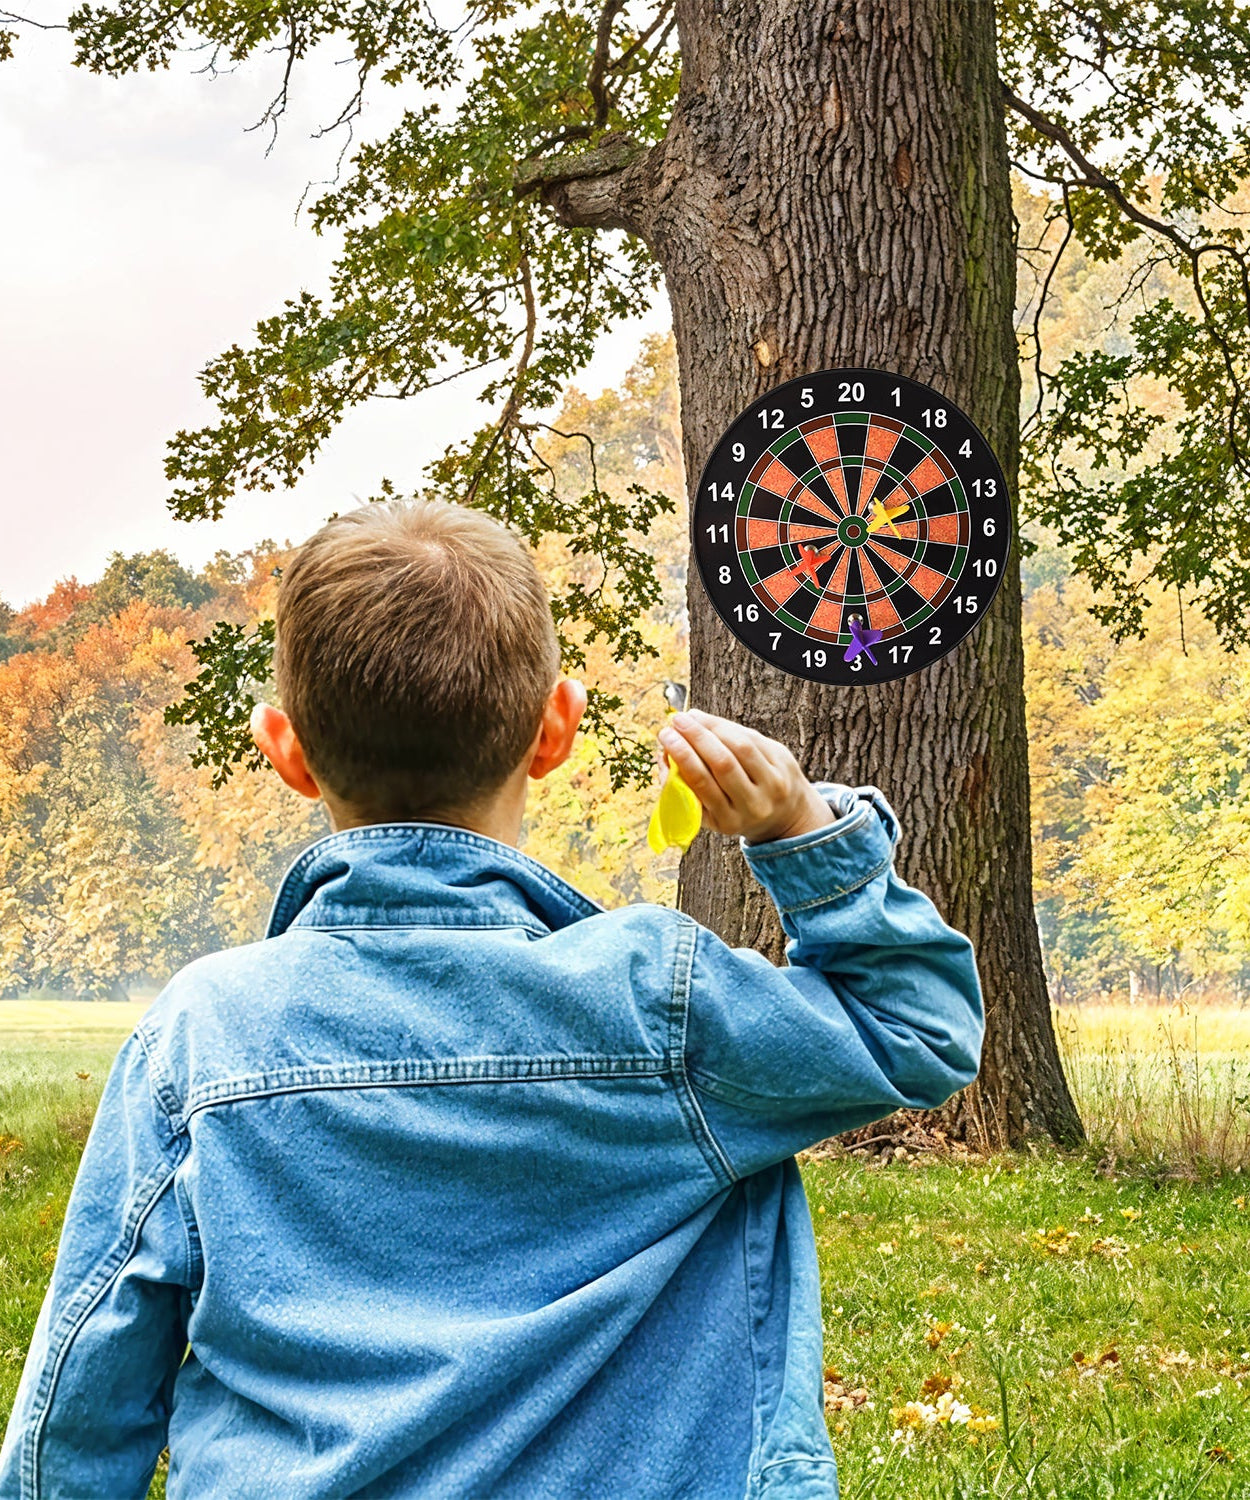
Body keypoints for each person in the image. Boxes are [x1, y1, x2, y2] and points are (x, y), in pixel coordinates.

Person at [0, 499, 983, 1499]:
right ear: (555, 729)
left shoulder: (201, 1035)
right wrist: (800, 828)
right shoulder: (659, 1000)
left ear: (286, 750)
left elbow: (84, 1390)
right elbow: (915, 1025)